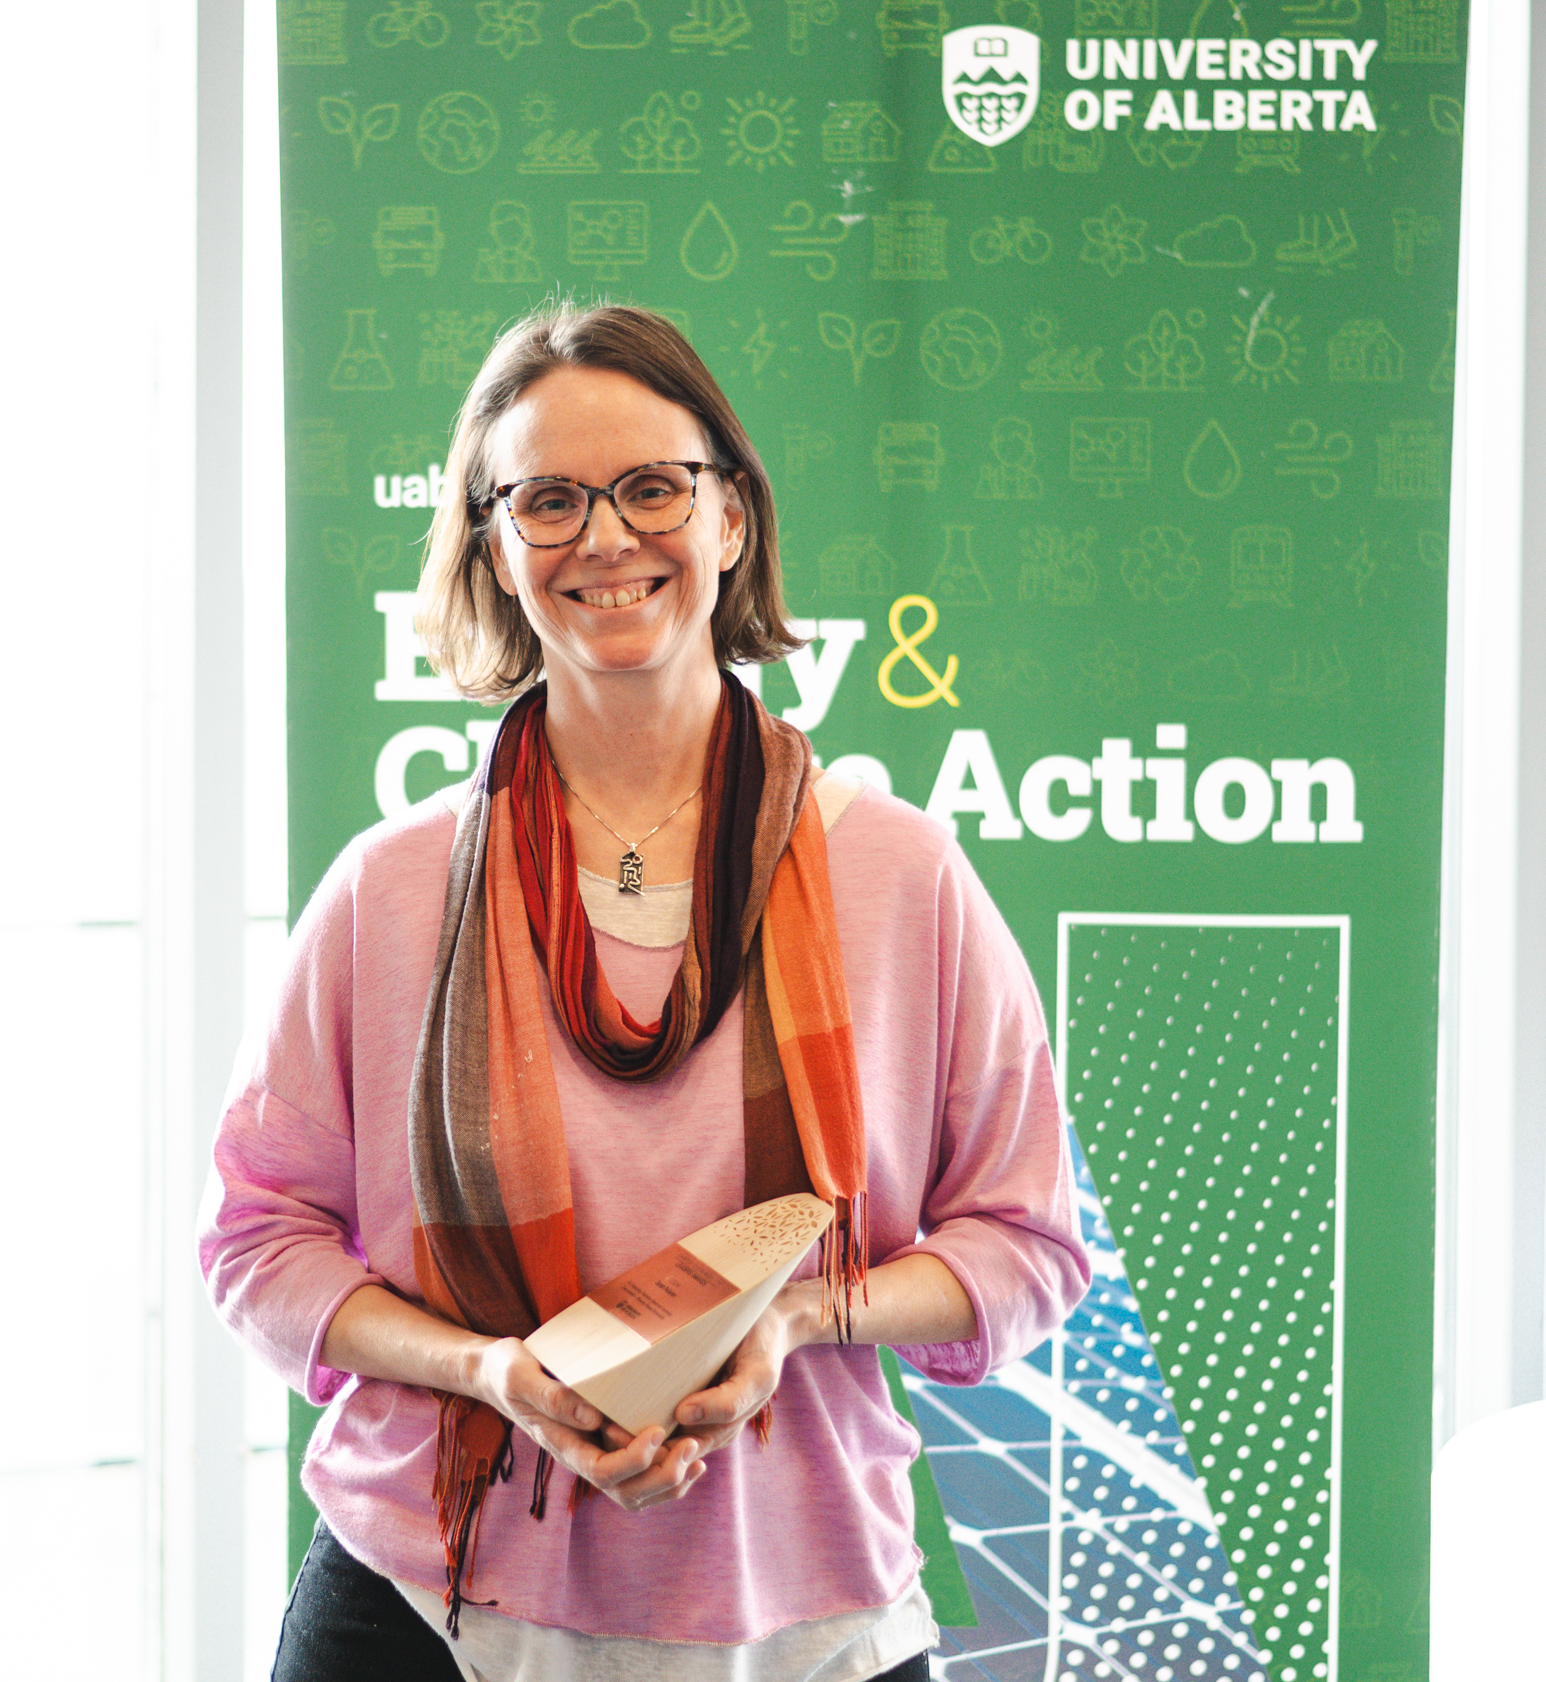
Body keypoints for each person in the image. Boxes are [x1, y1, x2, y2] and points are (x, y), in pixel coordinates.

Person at [202, 301, 1088, 1682]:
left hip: (806, 1612)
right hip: (428, 1599)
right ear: (492, 547)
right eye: (546, 498)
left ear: (732, 516)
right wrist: (487, 1372)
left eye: (653, 485)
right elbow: (256, 1241)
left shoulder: (903, 878)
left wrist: (799, 1317)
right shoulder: (392, 890)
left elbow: (1029, 1244)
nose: (605, 536)